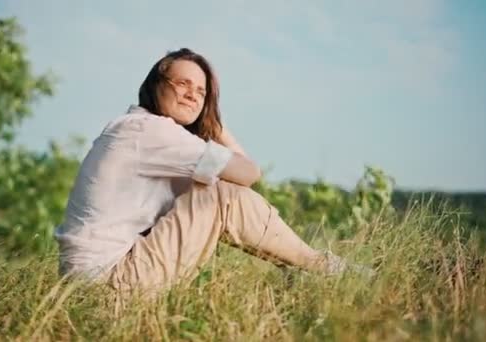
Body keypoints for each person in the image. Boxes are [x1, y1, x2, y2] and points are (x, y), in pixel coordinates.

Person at [54, 48, 370, 293]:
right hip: (109, 282)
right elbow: (247, 175)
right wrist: (216, 126)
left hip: (91, 283)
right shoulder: (150, 131)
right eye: (182, 84)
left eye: (202, 92)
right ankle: (321, 268)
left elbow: (243, 181)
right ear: (155, 86)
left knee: (219, 191)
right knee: (221, 194)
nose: (193, 95)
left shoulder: (136, 129)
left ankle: (308, 269)